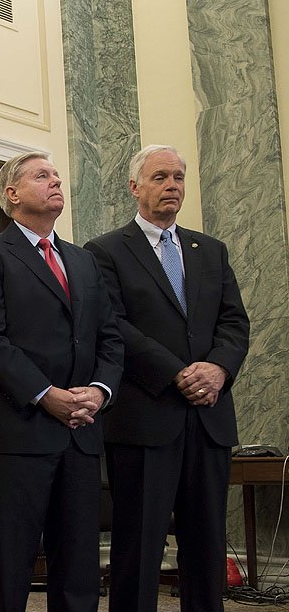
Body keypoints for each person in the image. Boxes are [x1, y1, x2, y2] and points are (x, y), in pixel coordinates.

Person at [84, 145, 249, 612]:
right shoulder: (105, 251)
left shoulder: (210, 250)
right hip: (145, 417)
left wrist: (218, 369)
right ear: (134, 187)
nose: (172, 185)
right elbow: (113, 326)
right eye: (160, 177)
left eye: (178, 177)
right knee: (139, 546)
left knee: (207, 544)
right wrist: (177, 372)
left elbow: (234, 322)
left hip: (208, 415)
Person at [0, 152, 123, 612]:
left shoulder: (83, 261)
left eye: (57, 175)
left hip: (80, 432)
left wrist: (99, 392)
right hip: (17, 432)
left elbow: (110, 337)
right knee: (11, 567)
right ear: (12, 194)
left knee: (79, 567)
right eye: (42, 175)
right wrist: (45, 394)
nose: (56, 182)